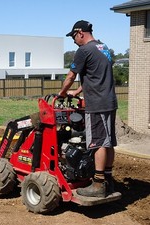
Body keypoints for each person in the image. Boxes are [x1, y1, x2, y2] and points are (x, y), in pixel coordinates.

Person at [59, 20, 118, 198]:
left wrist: (61, 94)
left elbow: (71, 76)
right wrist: (76, 92)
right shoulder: (103, 47)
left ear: (80, 33)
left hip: (97, 104)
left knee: (98, 142)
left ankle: (98, 184)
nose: (74, 40)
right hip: (109, 101)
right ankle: (108, 179)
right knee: (108, 142)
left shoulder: (83, 50)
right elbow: (96, 76)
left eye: (74, 37)